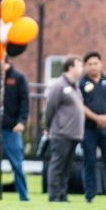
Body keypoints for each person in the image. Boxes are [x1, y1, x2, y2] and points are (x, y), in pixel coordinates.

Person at [0, 59, 30, 201]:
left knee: (17, 164)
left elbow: (25, 102)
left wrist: (21, 121)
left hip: (11, 129)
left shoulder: (18, 78)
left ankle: (24, 196)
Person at [45, 55, 85, 202]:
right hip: (61, 133)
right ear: (71, 67)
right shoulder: (59, 85)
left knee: (67, 167)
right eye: (79, 66)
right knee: (57, 165)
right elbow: (50, 108)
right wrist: (48, 127)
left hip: (74, 134)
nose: (82, 69)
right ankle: (54, 195)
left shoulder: (76, 86)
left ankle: (62, 194)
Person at [79, 52, 106, 203]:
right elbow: (80, 104)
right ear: (85, 66)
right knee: (89, 161)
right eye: (89, 64)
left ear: (101, 64)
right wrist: (96, 118)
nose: (93, 67)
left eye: (95, 63)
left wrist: (105, 117)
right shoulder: (81, 83)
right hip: (88, 128)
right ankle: (90, 195)